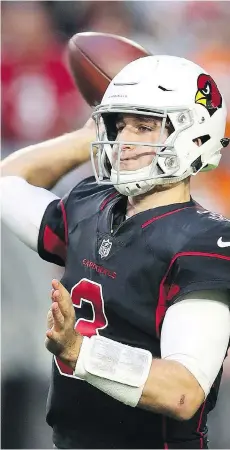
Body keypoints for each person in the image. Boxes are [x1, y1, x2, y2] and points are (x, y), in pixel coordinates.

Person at [1, 55, 230, 449]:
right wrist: (84, 136)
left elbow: (183, 391)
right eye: (119, 125)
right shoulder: (92, 203)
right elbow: (8, 182)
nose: (123, 141)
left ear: (195, 136)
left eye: (144, 127)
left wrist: (82, 352)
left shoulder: (204, 241)